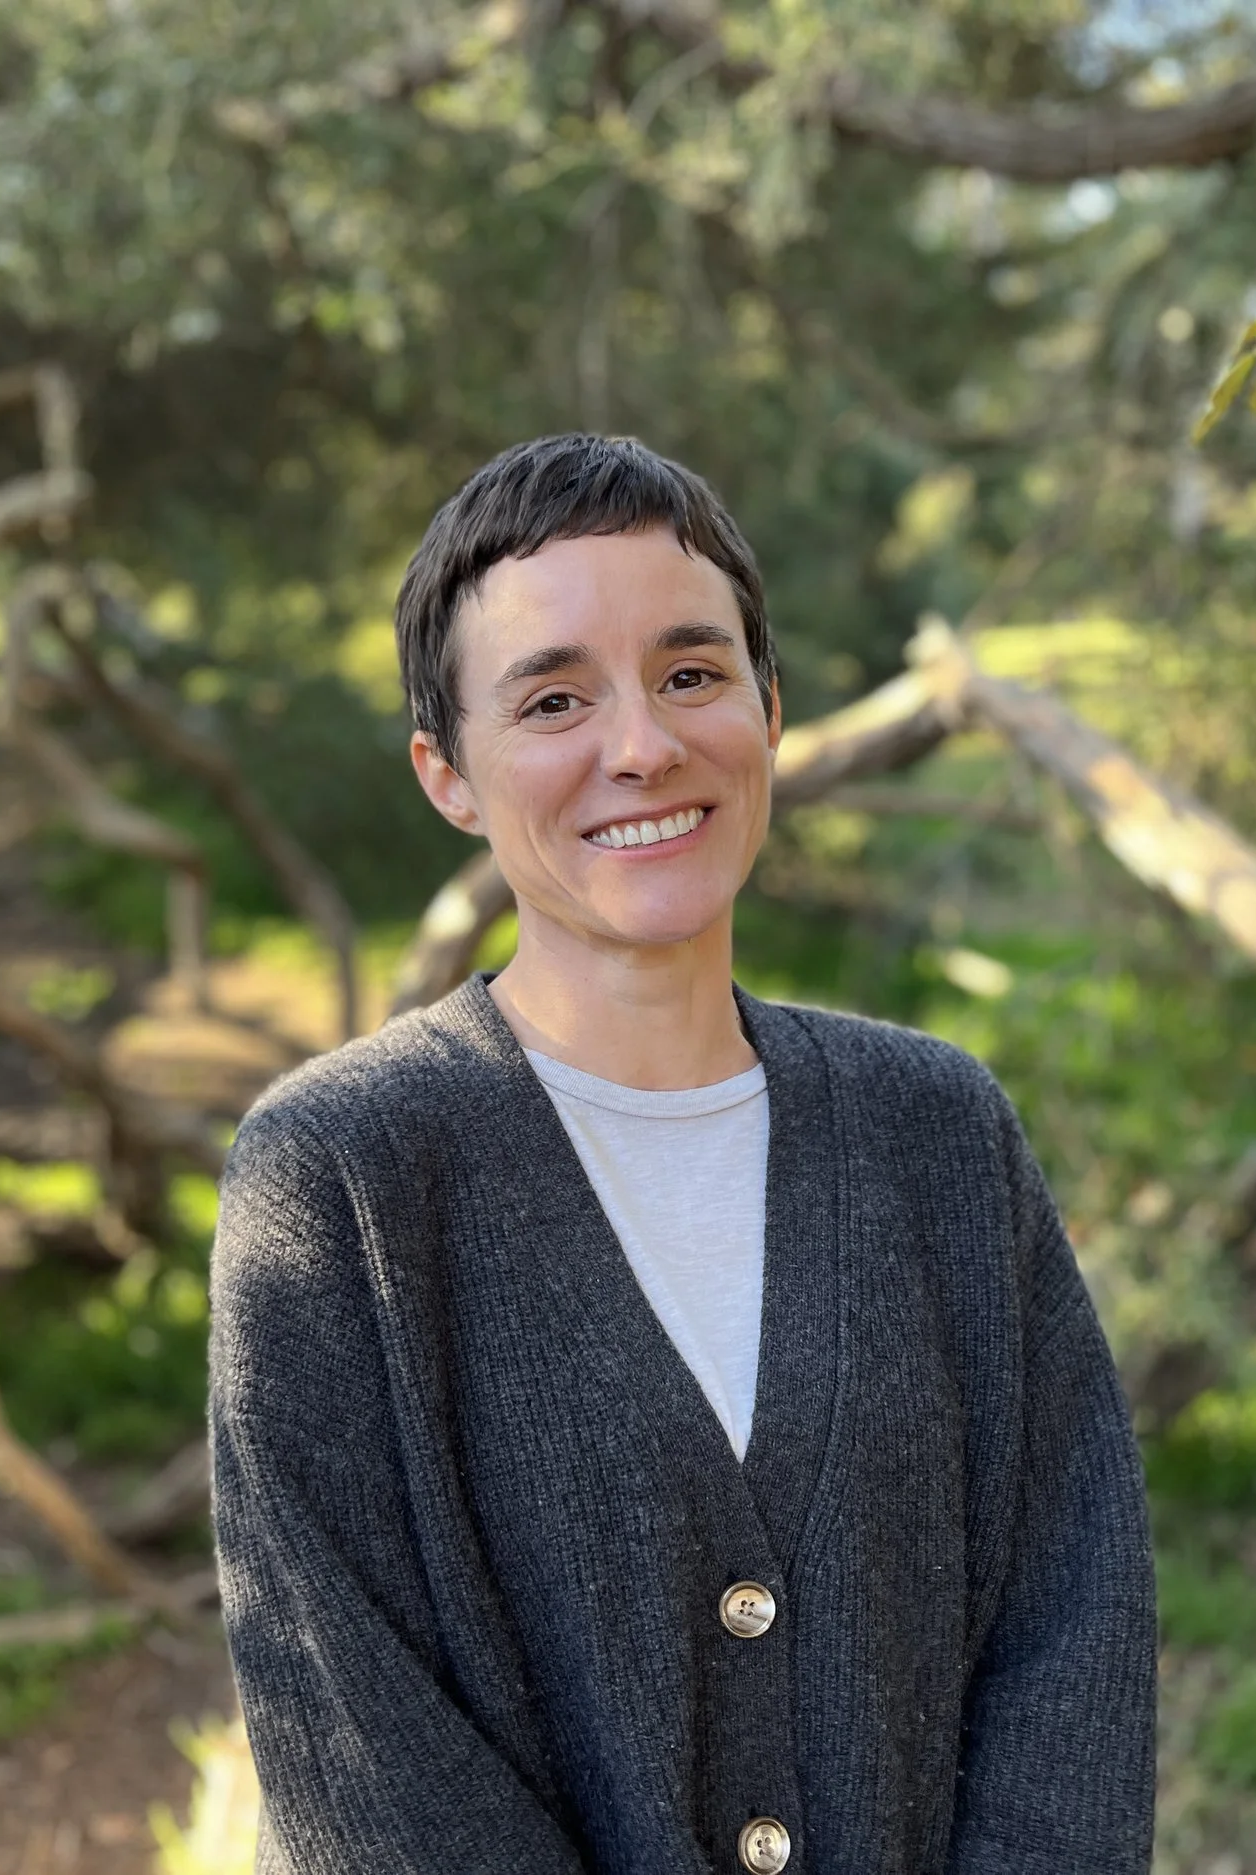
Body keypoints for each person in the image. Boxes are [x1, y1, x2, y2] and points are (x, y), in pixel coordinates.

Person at [206, 433, 1157, 1874]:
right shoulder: (337, 1183)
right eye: (553, 698)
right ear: (448, 774)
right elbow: (365, 1760)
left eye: (692, 673)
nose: (641, 743)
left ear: (770, 712)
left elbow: (1071, 1639)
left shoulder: (942, 1136)